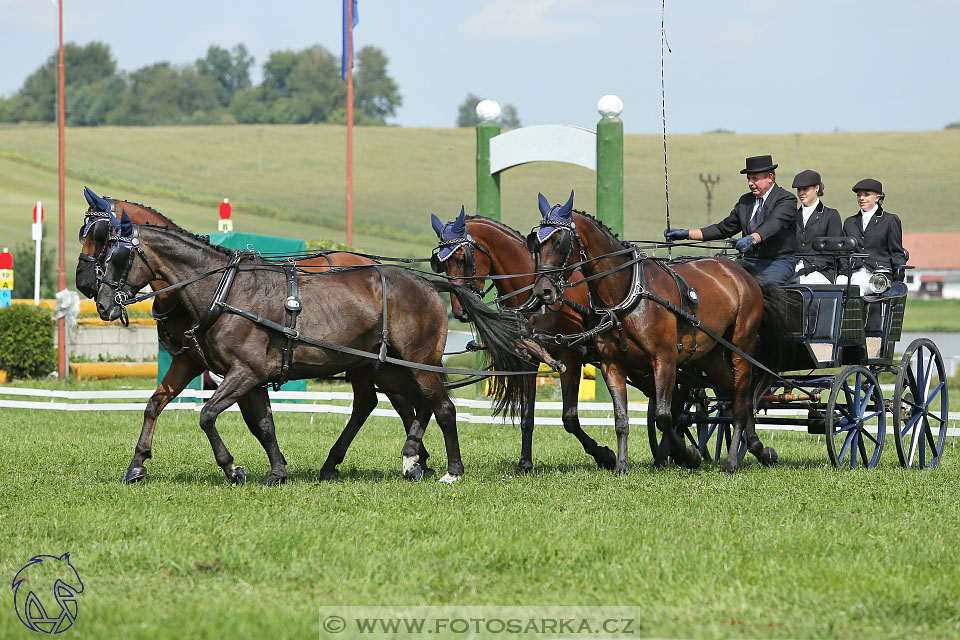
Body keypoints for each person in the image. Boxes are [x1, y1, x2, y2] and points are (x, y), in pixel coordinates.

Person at [664, 155, 798, 283]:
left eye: (754, 179)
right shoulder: (745, 201)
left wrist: (752, 238)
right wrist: (686, 234)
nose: (750, 183)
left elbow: (774, 224)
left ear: (770, 177)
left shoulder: (786, 199)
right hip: (748, 262)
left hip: (777, 263)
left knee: (762, 291)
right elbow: (723, 229)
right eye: (748, 179)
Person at [837, 178, 907, 291]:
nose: (861, 198)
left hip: (879, 274)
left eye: (866, 195)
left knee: (858, 288)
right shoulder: (850, 222)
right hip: (854, 272)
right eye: (859, 195)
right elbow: (844, 252)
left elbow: (896, 252)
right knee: (838, 283)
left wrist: (898, 278)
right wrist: (845, 269)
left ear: (877, 197)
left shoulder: (890, 220)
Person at [789, 169, 842, 284]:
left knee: (797, 282)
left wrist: (815, 266)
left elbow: (833, 250)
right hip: (794, 267)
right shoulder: (792, 216)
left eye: (805, 189)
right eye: (799, 190)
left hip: (822, 270)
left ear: (816, 188)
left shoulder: (831, 215)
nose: (801, 193)